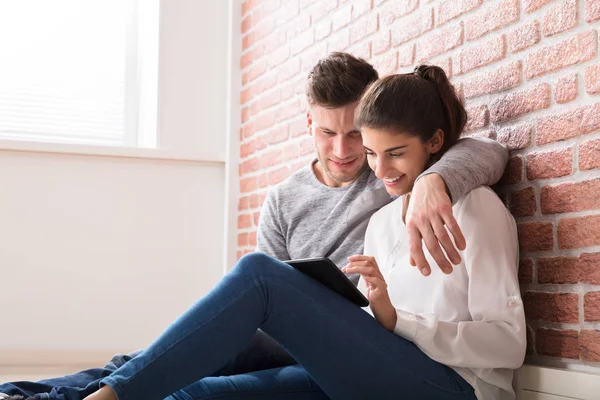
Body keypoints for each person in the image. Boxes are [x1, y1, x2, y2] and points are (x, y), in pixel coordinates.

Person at [0, 53, 509, 400]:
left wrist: (434, 181)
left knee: (256, 278)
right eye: (331, 134)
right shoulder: (322, 205)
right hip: (310, 338)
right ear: (308, 125)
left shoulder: (413, 185)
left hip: (401, 360)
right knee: (175, 368)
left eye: (363, 138)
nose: (351, 154)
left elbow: (482, 149)